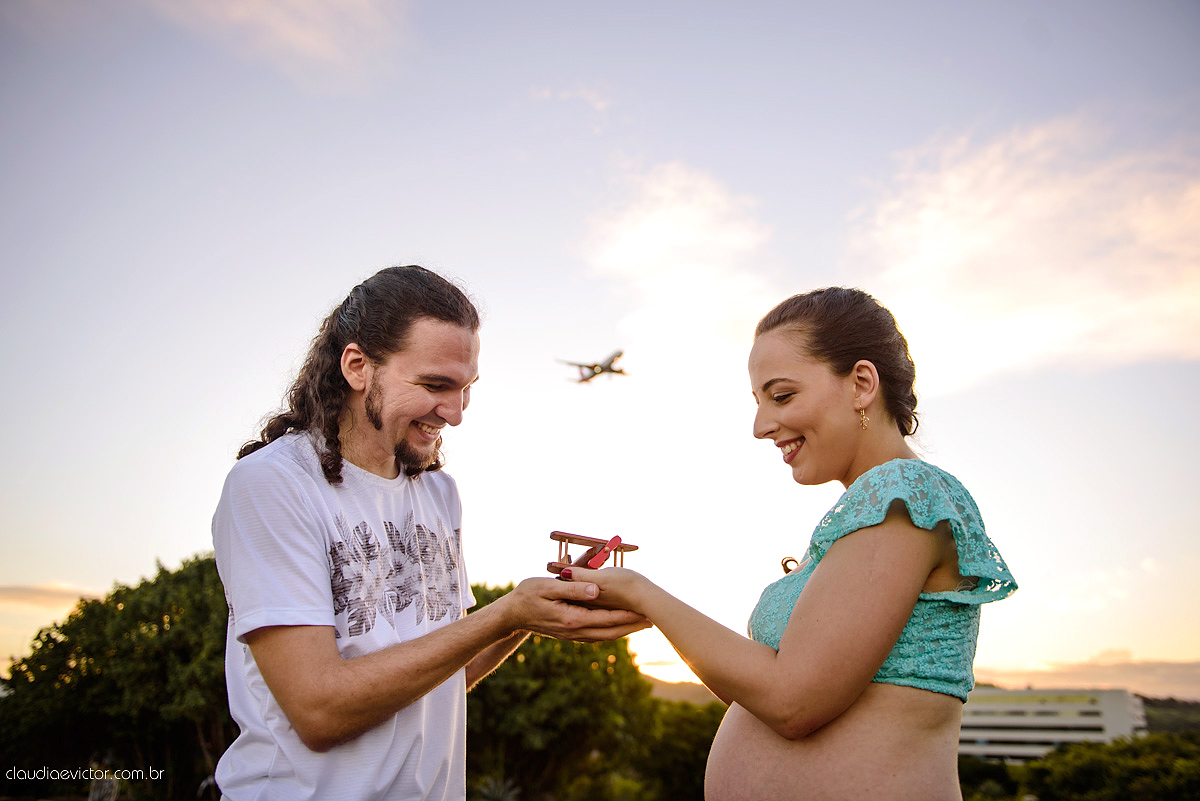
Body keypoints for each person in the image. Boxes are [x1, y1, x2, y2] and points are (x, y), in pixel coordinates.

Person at [211, 265, 647, 801]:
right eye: (435, 386)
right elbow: (318, 710)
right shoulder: (272, 484)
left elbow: (445, 675)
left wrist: (537, 613)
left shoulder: (440, 493)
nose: (456, 414)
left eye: (466, 390)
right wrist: (507, 613)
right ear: (357, 367)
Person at [562, 287, 1017, 800]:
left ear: (862, 384)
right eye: (758, 403)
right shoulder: (865, 514)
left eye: (781, 396)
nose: (761, 427)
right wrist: (643, 609)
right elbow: (764, 697)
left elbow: (792, 703)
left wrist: (645, 595)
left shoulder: (906, 494)